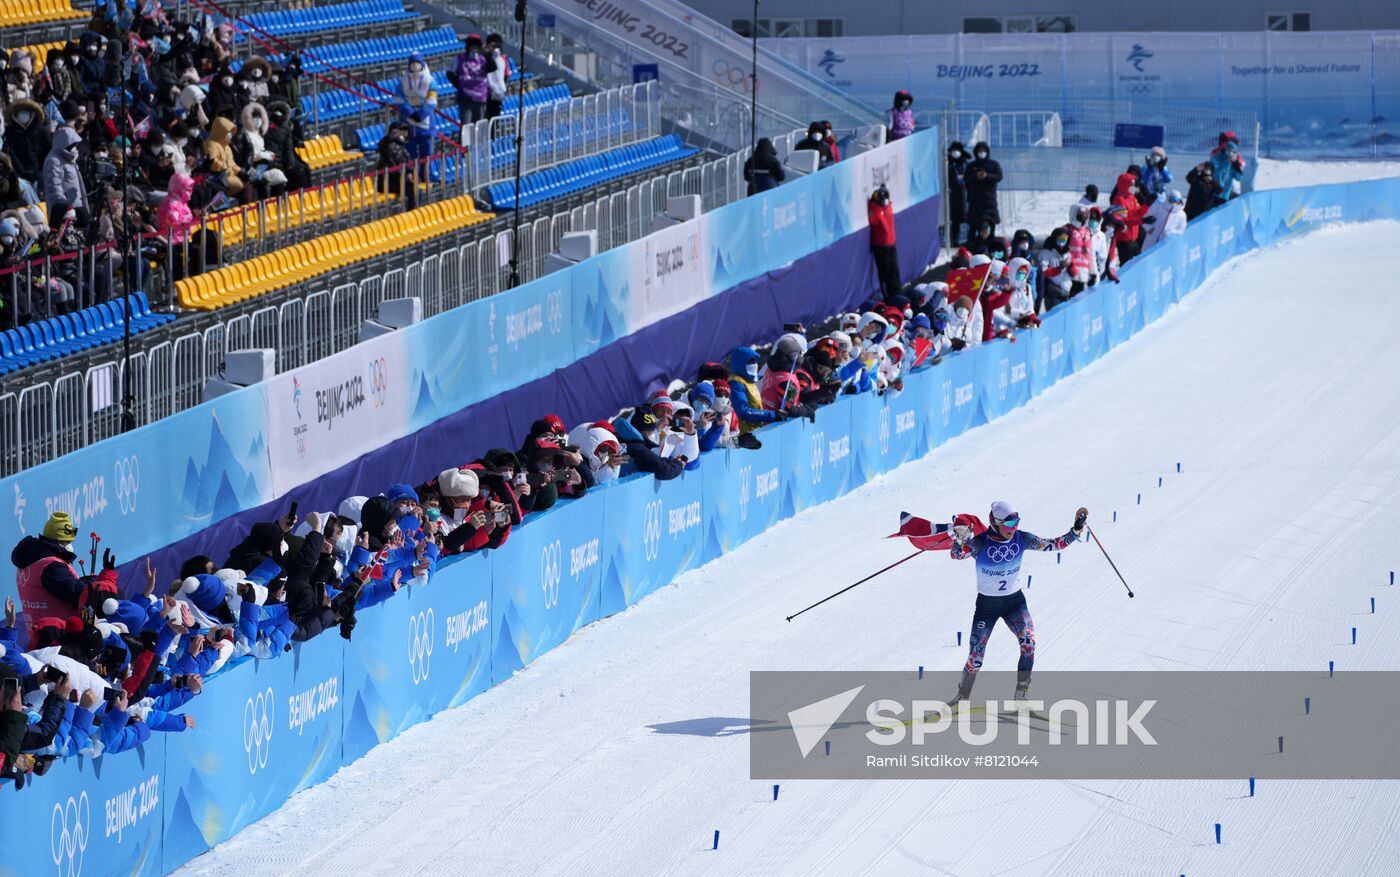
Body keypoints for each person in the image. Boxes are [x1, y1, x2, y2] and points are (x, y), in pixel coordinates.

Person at [948, 502, 1089, 702]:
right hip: (987, 606)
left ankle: (1021, 696)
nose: (1013, 527)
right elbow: (956, 554)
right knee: (976, 658)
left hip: (1014, 602)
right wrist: (960, 539)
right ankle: (961, 698)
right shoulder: (980, 543)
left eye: (1016, 522)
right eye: (1010, 523)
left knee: (1029, 644)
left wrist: (1075, 530)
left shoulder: (1021, 538)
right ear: (996, 523)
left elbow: (1055, 544)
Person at [964, 141, 1002, 236]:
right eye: (979, 150)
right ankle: (972, 245)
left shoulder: (994, 164)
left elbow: (999, 176)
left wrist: (987, 176)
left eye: (983, 150)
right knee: (973, 227)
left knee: (990, 225)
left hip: (989, 200)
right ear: (976, 152)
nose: (981, 153)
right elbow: (966, 178)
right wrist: (975, 176)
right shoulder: (971, 166)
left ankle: (990, 245)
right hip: (975, 200)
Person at [868, 184, 899, 300]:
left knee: (894, 271)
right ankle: (888, 297)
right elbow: (873, 221)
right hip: (881, 246)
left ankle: (897, 294)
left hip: (891, 243)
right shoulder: (876, 208)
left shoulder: (888, 206)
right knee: (884, 274)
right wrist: (877, 206)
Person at [452, 35, 489, 125]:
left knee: (479, 126)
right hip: (465, 98)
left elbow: (493, 68)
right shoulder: (460, 58)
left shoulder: (483, 59)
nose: (474, 47)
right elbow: (450, 74)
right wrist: (459, 85)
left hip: (480, 98)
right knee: (466, 125)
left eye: (476, 45)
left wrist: (486, 54)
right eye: (472, 45)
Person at [1208, 131, 1247, 206]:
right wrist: (1227, 163)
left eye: (1234, 152)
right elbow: (1216, 173)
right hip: (1215, 194)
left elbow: (1239, 178)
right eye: (1229, 151)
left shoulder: (1235, 161)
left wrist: (1236, 166)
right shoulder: (1216, 158)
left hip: (1227, 195)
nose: (1231, 153)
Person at [945, 141, 969, 247]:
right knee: (950, 218)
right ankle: (950, 241)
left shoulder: (964, 163)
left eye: (957, 150)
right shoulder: (947, 163)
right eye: (954, 150)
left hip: (963, 194)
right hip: (949, 194)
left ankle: (960, 240)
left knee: (961, 219)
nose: (955, 153)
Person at [484, 34, 510, 120]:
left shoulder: (503, 59)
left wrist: (503, 89)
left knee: (494, 120)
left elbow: (506, 76)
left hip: (497, 96)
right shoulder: (484, 58)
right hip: (485, 95)